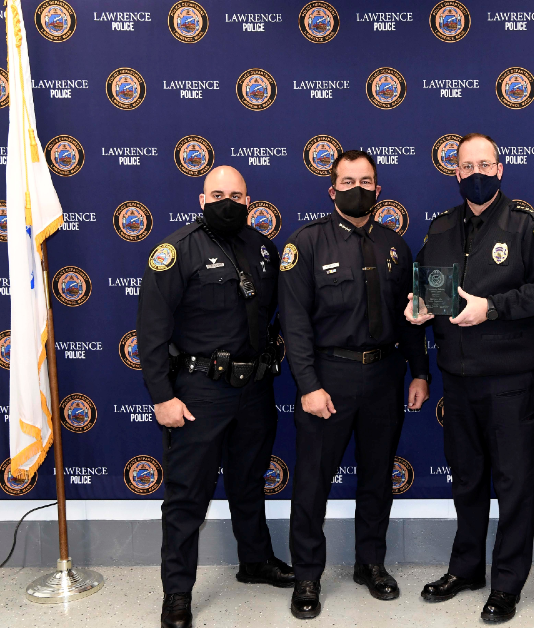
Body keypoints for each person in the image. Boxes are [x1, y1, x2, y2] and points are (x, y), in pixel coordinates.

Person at [406, 133, 534, 622]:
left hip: (510, 381)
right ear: (455, 173)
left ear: (500, 170)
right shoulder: (439, 229)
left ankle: (507, 583)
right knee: (467, 481)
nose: (475, 172)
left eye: (485, 163)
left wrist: (493, 308)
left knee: (514, 483)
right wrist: (418, 308)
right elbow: (426, 291)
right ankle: (467, 568)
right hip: (457, 381)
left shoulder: (527, 226)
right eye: (465, 165)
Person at [137, 166, 294, 628]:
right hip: (198, 392)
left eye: (238, 194)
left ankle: (255, 561)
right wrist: (162, 397)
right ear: (201, 199)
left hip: (255, 390)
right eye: (219, 193)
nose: (229, 201)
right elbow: (151, 331)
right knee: (187, 497)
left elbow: (280, 316)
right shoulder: (176, 251)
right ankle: (177, 593)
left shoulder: (264, 248)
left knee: (249, 483)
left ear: (250, 200)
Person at [278, 150, 430, 619]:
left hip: (385, 376)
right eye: (347, 181)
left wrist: (420, 371)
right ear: (332, 190)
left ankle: (371, 564)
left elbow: (410, 320)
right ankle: (307, 575)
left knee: (377, 477)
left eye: (366, 180)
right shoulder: (305, 244)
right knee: (311, 483)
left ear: (378, 190)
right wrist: (308, 385)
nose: (356, 188)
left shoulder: (395, 246)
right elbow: (295, 324)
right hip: (329, 378)